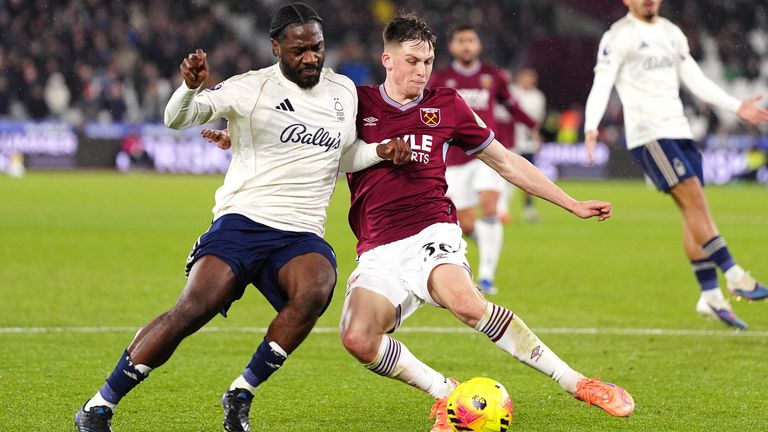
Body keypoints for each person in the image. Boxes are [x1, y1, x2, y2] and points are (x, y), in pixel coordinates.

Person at [73, 4, 410, 432]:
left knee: (317, 287)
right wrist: (190, 89)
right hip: (243, 219)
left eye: (317, 48)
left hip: (301, 230)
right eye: (299, 50)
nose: (310, 58)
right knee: (193, 308)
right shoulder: (251, 88)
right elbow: (176, 118)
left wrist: (377, 152)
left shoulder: (343, 91)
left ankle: (241, 391)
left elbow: (341, 154)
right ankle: (99, 405)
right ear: (276, 48)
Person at [339, 13, 635, 432]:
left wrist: (570, 203)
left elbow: (507, 163)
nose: (420, 71)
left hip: (431, 230)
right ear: (387, 59)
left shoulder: (447, 105)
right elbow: (309, 142)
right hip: (377, 248)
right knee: (357, 339)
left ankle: (578, 382)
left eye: (427, 62)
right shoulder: (357, 104)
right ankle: (446, 394)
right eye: (411, 61)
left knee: (466, 303)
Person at [583, 0, 768, 330]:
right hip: (649, 134)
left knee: (693, 211)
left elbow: (695, 80)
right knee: (695, 201)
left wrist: (734, 105)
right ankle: (734, 274)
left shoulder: (671, 33)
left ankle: (710, 296)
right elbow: (603, 81)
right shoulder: (618, 36)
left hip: (680, 131)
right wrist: (591, 125)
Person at [428, 25, 538, 295]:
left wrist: (534, 125)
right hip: (453, 159)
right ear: (452, 47)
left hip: (485, 153)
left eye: (471, 40)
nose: (466, 45)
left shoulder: (493, 76)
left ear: (478, 46)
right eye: (461, 41)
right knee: (465, 224)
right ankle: (488, 245)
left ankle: (487, 276)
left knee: (490, 206)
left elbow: (511, 105)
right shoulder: (441, 78)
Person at [509, 68, 546, 222]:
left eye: (532, 78)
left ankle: (529, 209)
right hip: (511, 141)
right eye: (526, 77)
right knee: (506, 175)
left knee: (527, 176)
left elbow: (537, 121)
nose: (529, 81)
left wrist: (537, 138)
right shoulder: (512, 92)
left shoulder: (538, 97)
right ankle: (501, 208)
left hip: (528, 143)